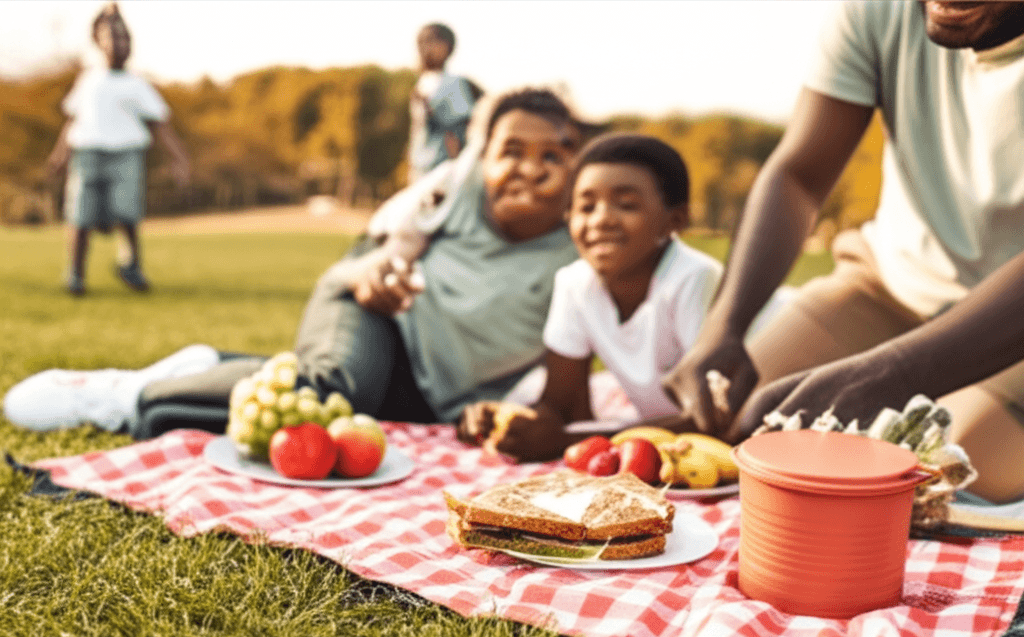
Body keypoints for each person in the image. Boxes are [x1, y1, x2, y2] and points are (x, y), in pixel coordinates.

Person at [5, 88, 584, 440]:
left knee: (360, 416)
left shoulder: (583, 243)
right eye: (511, 151)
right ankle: (119, 396)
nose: (530, 169)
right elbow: (395, 248)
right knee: (335, 389)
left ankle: (205, 367)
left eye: (552, 155)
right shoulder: (453, 187)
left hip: (435, 394)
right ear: (482, 159)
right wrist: (382, 274)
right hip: (375, 312)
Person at [660, 1, 1024, 504]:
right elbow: (799, 177)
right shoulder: (878, 11)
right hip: (887, 287)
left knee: (934, 483)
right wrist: (724, 326)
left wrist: (891, 374)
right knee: (733, 430)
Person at [455, 133, 792, 462]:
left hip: (795, 384)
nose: (601, 219)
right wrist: (503, 420)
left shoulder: (693, 279)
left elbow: (712, 419)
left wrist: (563, 441)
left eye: (626, 204)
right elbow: (560, 406)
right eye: (586, 207)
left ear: (674, 221)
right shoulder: (574, 284)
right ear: (569, 219)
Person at [45, 3, 190, 296]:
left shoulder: (136, 84)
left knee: (127, 212)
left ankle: (131, 264)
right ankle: (75, 274)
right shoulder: (89, 80)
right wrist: (60, 155)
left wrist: (180, 159)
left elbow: (160, 124)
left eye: (124, 39)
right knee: (80, 215)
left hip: (126, 154)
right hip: (87, 154)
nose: (118, 44)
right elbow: (73, 120)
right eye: (112, 38)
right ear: (99, 43)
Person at [406, 22, 481, 183]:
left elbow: (459, 129)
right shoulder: (422, 82)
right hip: (419, 168)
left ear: (448, 48)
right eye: (423, 42)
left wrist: (457, 170)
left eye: (434, 42)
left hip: (440, 170)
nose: (427, 47)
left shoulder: (453, 84)